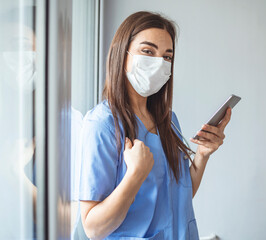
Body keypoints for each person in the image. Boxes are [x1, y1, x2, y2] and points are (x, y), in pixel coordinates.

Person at [76, 11, 231, 240]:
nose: (159, 63)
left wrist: (202, 155)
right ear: (123, 54)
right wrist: (134, 175)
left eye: (167, 57)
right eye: (148, 52)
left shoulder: (167, 120)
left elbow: (179, 200)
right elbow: (93, 229)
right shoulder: (101, 125)